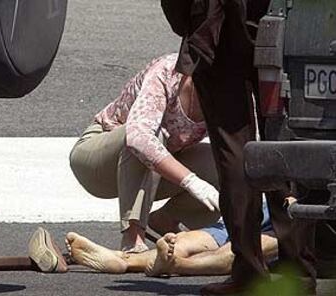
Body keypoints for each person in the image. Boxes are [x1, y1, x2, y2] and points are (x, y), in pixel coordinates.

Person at [160, 0, 316, 295]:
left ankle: (249, 270)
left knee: (236, 150)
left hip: (217, 26)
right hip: (275, 16)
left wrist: (188, 23)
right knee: (281, 142)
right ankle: (297, 271)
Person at [69, 53, 222, 253]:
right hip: (96, 161)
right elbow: (139, 136)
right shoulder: (167, 71)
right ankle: (133, 238)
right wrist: (191, 181)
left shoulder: (229, 95)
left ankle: (167, 219)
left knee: (224, 161)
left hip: (152, 171)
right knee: (149, 138)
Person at [28, 200, 277, 276]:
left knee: (245, 245)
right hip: (283, 206)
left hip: (273, 202)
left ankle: (132, 261)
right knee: (236, 246)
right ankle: (128, 259)